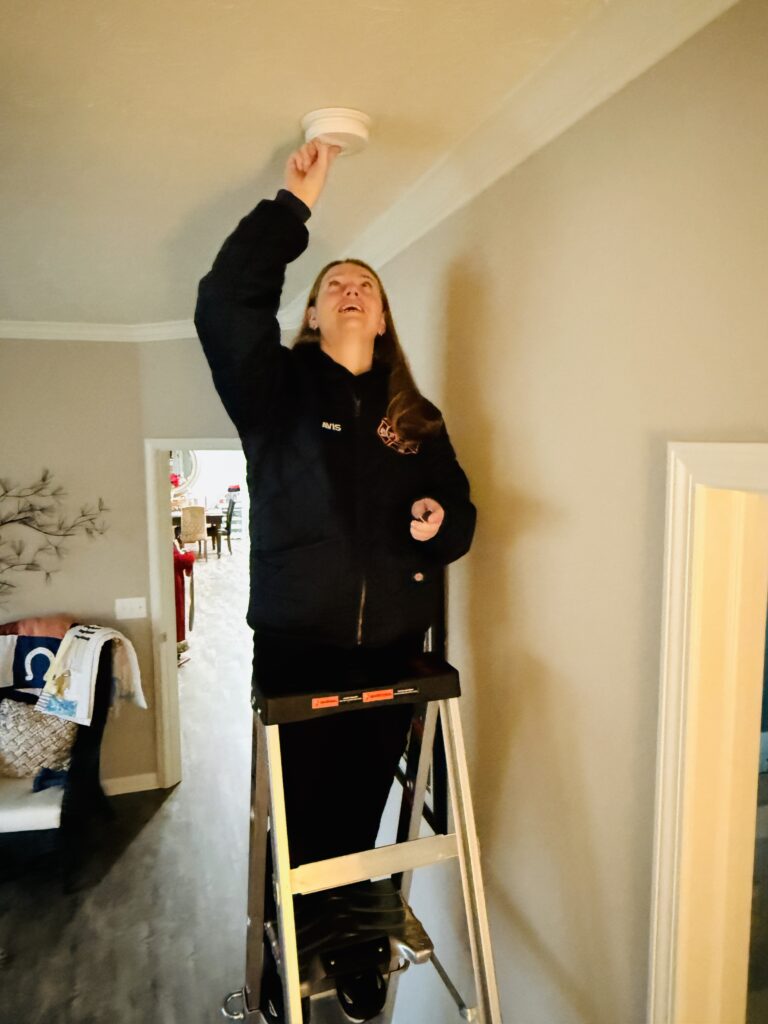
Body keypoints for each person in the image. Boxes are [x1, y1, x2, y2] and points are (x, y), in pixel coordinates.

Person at [195, 140, 476, 1021]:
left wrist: (444, 522)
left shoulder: (415, 419)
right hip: (299, 651)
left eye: (366, 285)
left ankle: (354, 949)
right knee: (301, 820)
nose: (350, 289)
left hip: (395, 649)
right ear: (314, 315)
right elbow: (224, 304)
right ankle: (288, 943)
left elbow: (459, 510)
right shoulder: (274, 392)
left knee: (359, 820)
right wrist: (291, 207)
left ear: (384, 318)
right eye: (333, 285)